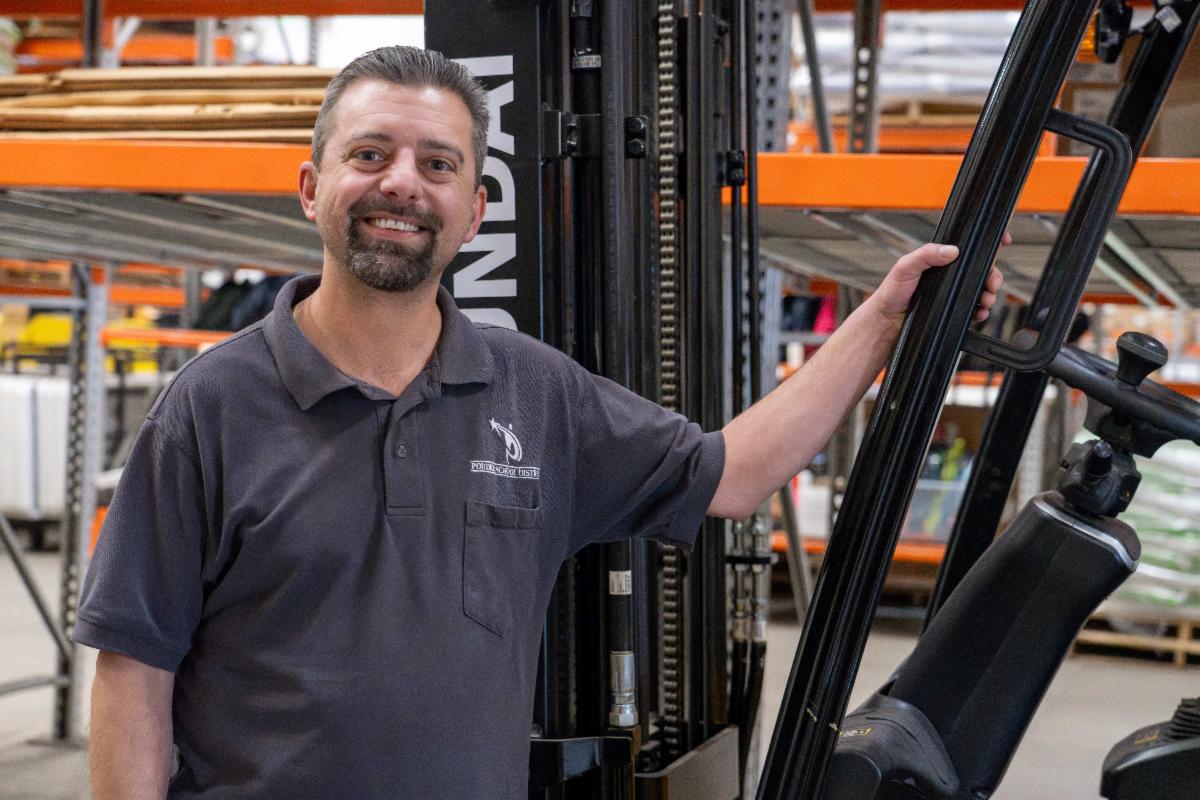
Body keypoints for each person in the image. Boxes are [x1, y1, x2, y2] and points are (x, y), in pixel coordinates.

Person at [74, 46, 1003, 800]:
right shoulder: (209, 407)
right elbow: (133, 672)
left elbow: (734, 475)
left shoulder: (535, 395)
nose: (402, 183)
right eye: (370, 155)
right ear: (313, 187)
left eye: (437, 165)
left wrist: (884, 322)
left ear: (475, 211)